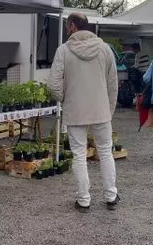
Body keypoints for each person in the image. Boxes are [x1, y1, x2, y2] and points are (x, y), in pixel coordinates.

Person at [49, 12, 119, 212]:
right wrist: (109, 108)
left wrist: (67, 99)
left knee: (79, 154)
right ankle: (111, 196)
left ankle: (83, 199)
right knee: (106, 151)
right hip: (101, 110)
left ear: (72, 26)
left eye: (66, 26)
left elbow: (53, 86)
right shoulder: (105, 49)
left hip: (75, 110)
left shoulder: (63, 50)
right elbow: (113, 84)